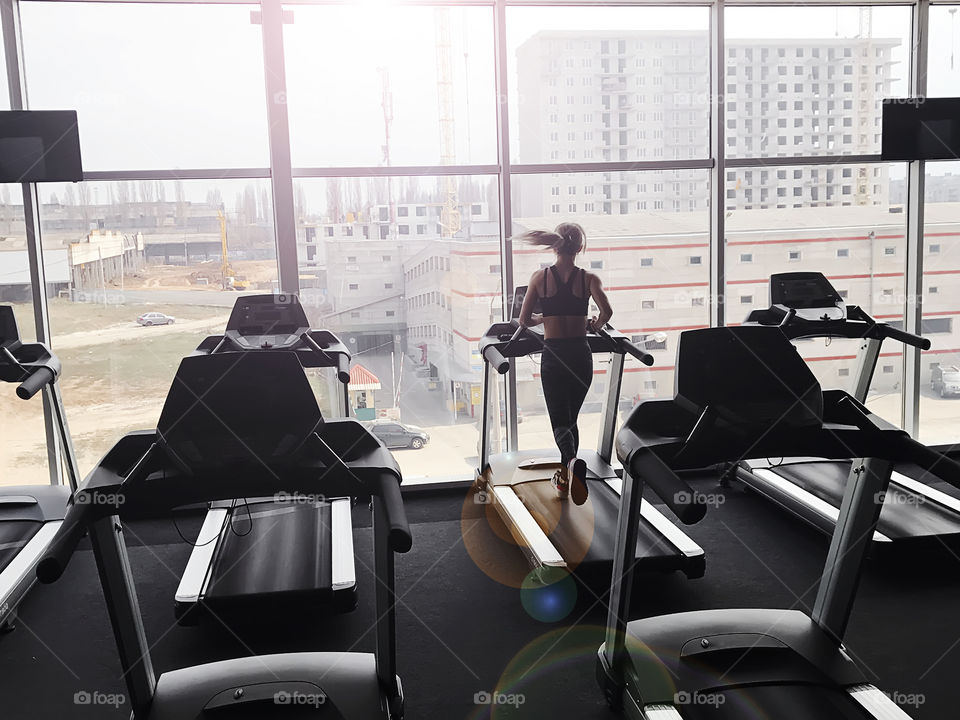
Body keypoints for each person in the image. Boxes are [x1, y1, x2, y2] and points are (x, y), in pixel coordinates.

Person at [516, 222, 612, 505]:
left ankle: (570, 463)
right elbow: (606, 311)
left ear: (554, 246)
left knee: (561, 421)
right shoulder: (589, 278)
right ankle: (565, 478)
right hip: (581, 355)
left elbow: (524, 320)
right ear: (580, 248)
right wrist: (595, 323)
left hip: (554, 355)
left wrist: (542, 319)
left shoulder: (539, 278)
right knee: (570, 421)